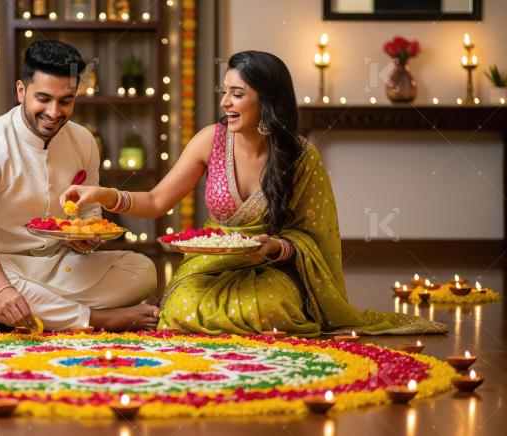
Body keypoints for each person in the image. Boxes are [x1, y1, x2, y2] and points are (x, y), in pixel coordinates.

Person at [61, 50, 447, 336]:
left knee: (272, 310)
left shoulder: (300, 156)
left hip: (271, 268)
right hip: (211, 265)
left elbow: (315, 236)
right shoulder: (209, 141)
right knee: (180, 306)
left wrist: (274, 248)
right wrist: (103, 195)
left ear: (266, 100)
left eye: (237, 94)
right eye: (225, 92)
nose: (225, 103)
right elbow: (158, 201)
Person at [0, 40, 159, 332]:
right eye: (43, 98)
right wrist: (2, 291)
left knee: (142, 271)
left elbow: (89, 220)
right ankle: (97, 319)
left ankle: (15, 314)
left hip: (57, 266)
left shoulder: (85, 141)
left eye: (66, 100)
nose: (54, 112)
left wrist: (87, 241)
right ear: (21, 90)